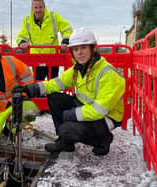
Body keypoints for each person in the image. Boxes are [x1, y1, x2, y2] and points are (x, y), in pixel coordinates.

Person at [13, 28, 125, 156]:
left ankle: (102, 139)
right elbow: (55, 83)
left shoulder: (108, 74)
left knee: (67, 129)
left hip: (106, 117)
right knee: (54, 98)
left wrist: (71, 115)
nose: (80, 53)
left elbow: (100, 110)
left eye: (83, 48)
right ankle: (65, 143)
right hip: (85, 107)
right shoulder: (78, 69)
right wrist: (29, 89)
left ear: (93, 49)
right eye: (76, 49)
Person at [16, 0, 73, 81]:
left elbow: (67, 28)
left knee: (54, 83)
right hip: (36, 58)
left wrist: (65, 41)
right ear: (32, 9)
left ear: (44, 7)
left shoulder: (53, 16)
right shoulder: (27, 20)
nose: (38, 10)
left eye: (40, 7)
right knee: (39, 83)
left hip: (53, 56)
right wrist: (22, 42)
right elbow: (22, 34)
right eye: (36, 7)